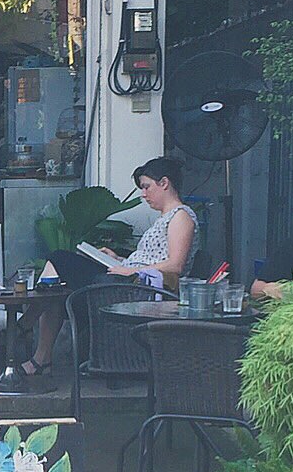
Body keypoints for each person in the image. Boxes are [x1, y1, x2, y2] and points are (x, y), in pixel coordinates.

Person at [14, 153, 199, 380]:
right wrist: (120, 259)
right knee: (56, 293)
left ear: (164, 183)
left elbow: (175, 264)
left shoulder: (181, 217)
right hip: (125, 280)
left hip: (136, 289)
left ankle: (26, 325)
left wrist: (130, 270)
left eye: (146, 187)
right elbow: (153, 258)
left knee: (59, 258)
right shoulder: (165, 218)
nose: (143, 194)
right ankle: (40, 360)